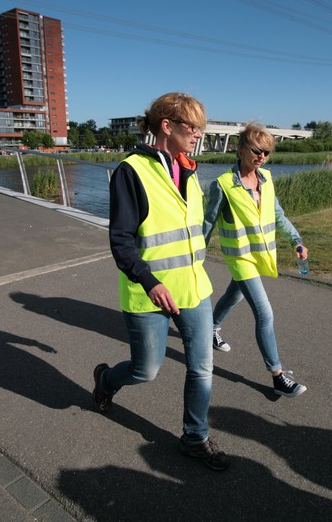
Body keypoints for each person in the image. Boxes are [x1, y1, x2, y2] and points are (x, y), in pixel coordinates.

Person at [92, 92, 228, 471]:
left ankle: (194, 438)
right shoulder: (131, 171)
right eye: (193, 127)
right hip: (147, 293)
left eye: (201, 128)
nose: (198, 134)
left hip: (194, 290)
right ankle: (106, 381)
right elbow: (121, 240)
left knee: (202, 367)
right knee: (146, 370)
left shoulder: (190, 171)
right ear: (167, 126)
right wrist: (150, 282)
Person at [203, 121, 309, 398]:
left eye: (267, 152)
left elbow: (278, 214)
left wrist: (296, 240)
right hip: (240, 257)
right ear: (241, 149)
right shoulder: (223, 184)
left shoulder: (267, 180)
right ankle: (277, 376)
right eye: (256, 150)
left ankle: (210, 328)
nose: (262, 156)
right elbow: (208, 223)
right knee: (264, 312)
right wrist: (195, 259)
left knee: (234, 295)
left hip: (259, 254)